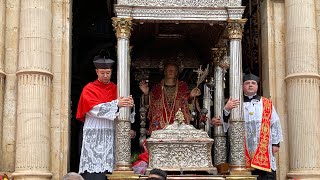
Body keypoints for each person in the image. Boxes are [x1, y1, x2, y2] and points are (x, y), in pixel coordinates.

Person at [211, 73, 283, 180]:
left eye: (253, 83)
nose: (250, 85)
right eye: (247, 83)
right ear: (242, 86)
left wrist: (276, 143)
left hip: (263, 148)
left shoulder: (267, 103)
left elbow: (275, 123)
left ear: (257, 86)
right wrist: (226, 109)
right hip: (242, 149)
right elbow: (223, 123)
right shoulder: (235, 103)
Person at [76, 55, 134, 180]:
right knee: (94, 173)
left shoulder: (116, 88)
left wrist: (129, 104)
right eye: (102, 73)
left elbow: (122, 110)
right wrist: (116, 104)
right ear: (97, 72)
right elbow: (92, 109)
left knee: (110, 169)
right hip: (94, 134)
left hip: (110, 132)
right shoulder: (89, 89)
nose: (105, 75)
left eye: (108, 72)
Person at [139, 63, 201, 133]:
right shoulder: (157, 88)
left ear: (177, 72)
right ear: (164, 72)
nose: (171, 71)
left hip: (179, 125)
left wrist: (191, 96)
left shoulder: (183, 87)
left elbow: (187, 102)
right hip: (160, 125)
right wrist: (146, 94)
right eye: (168, 70)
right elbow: (150, 105)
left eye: (173, 70)